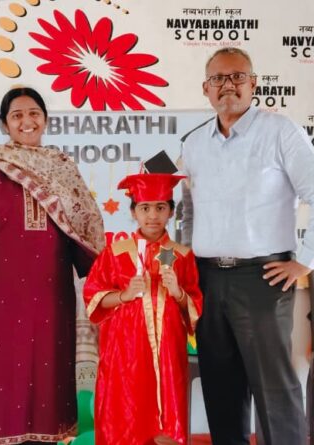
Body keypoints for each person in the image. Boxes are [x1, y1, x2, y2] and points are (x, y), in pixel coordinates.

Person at [180, 47, 314, 445]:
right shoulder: (194, 143)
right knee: (220, 388)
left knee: (275, 390)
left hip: (263, 279)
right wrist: (185, 265)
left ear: (253, 84)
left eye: (237, 76)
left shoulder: (280, 131)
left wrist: (305, 261)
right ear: (205, 88)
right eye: (218, 78)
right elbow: (188, 211)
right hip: (207, 279)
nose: (228, 85)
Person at [0, 87, 105, 444]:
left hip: (53, 298)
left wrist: (107, 283)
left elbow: (83, 235)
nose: (27, 121)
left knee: (49, 382)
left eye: (33, 113)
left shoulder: (62, 169)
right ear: (4, 124)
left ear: (45, 118)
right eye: (17, 115)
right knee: (0, 382)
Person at [83, 173, 203, 445]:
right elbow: (93, 298)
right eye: (145, 208)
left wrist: (178, 292)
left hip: (167, 349)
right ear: (133, 212)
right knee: (125, 411)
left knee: (165, 414)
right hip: (125, 349)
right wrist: (124, 295)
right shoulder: (115, 253)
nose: (153, 216)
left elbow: (194, 308)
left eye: (160, 207)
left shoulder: (182, 256)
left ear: (171, 212)